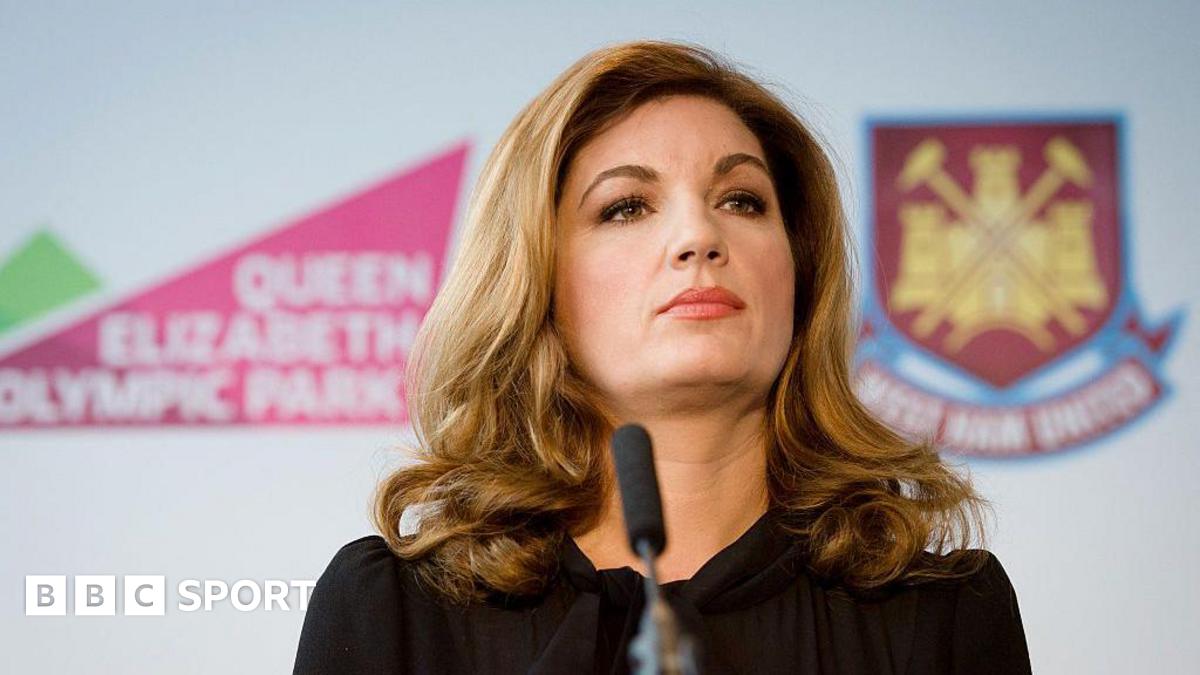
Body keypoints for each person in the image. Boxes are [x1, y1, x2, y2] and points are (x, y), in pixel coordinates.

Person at [292, 40, 1032, 674]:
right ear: (538, 280)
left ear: (799, 273)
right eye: (626, 207)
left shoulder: (942, 612)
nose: (699, 237)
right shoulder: (397, 611)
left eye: (742, 199)